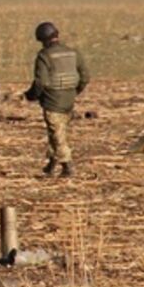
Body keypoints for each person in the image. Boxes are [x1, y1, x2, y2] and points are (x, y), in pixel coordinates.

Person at [24, 21, 90, 178]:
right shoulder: (73, 53)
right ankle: (51, 165)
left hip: (53, 101)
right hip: (69, 100)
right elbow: (85, 77)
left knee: (58, 136)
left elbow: (41, 82)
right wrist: (74, 92)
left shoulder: (44, 56)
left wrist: (31, 95)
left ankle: (68, 167)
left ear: (42, 40)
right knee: (56, 132)